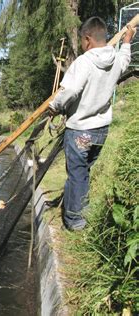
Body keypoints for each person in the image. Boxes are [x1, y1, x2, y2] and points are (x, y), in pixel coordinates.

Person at [49, 17, 135, 231]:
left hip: (80, 130)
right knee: (84, 172)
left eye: (82, 40)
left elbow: (70, 90)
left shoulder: (84, 62)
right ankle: (79, 210)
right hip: (101, 130)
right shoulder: (115, 59)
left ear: (87, 39)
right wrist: (127, 41)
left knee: (77, 175)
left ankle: (75, 221)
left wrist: (55, 106)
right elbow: (125, 59)